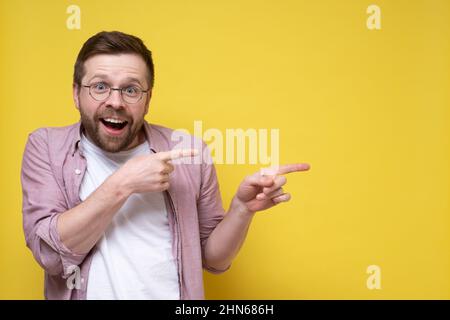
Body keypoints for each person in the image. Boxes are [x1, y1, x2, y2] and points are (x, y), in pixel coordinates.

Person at [20, 31, 310, 300]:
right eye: (100, 86)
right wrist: (124, 182)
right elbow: (49, 255)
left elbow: (213, 258)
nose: (116, 102)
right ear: (75, 93)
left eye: (131, 90)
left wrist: (241, 209)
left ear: (148, 100)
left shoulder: (189, 151)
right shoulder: (46, 146)